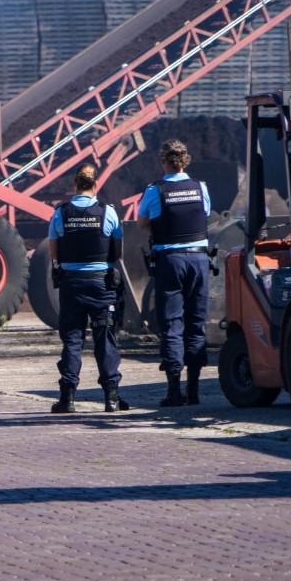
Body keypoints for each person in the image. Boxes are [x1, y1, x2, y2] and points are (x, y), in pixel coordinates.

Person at [47, 165, 128, 413]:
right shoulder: (108, 213)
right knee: (105, 338)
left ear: (75, 183)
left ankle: (68, 399)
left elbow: (54, 250)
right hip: (101, 283)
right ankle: (112, 398)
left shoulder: (60, 214)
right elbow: (118, 250)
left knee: (72, 339)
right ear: (95, 186)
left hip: (71, 283)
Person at [138, 139, 213, 407]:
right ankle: (194, 390)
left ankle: (173, 390)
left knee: (171, 324)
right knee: (196, 323)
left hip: (170, 261)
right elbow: (203, 214)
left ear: (163, 161)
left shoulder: (155, 191)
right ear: (185, 161)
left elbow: (142, 222)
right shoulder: (200, 187)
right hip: (199, 260)